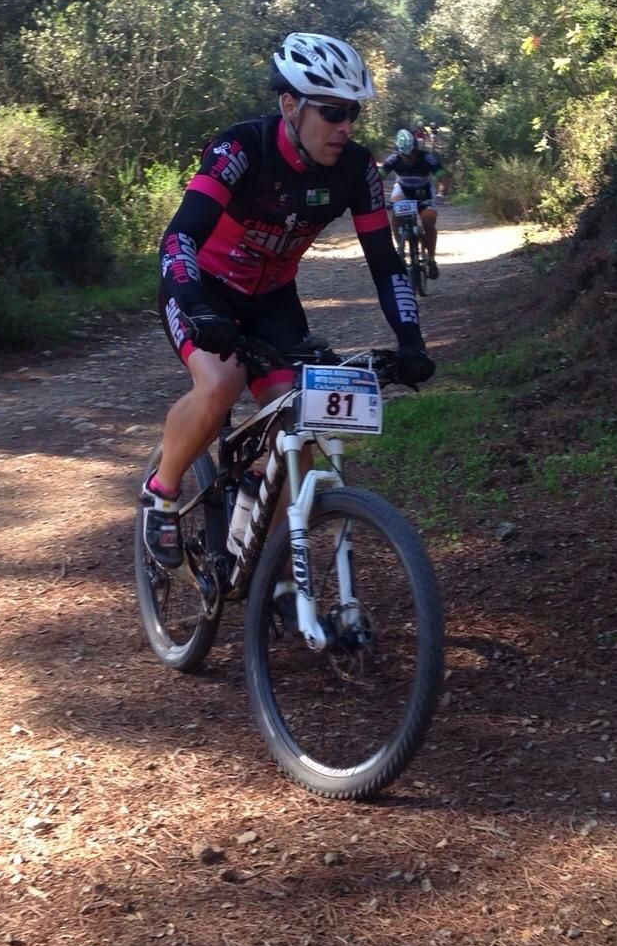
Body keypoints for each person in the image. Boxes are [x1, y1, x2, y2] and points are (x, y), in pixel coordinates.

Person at [141, 32, 436, 567]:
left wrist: (411, 341)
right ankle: (161, 494)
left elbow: (386, 262)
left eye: (353, 113)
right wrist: (198, 307)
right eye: (332, 112)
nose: (345, 126)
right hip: (203, 288)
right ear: (290, 105)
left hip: (272, 299)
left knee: (300, 420)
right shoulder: (240, 149)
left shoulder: (356, 169)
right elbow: (178, 238)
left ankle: (262, 555)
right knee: (222, 384)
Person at [383, 126, 447, 277]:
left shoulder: (426, 158)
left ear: (416, 150)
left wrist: (441, 193)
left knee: (428, 221)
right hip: (403, 190)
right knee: (396, 214)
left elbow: (442, 177)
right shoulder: (394, 159)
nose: (408, 158)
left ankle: (431, 259)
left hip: (424, 191)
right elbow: (378, 176)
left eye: (411, 154)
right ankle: (401, 249)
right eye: (404, 156)